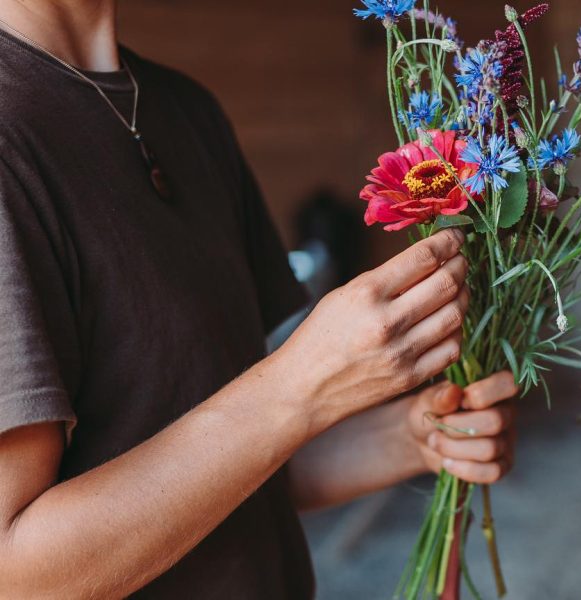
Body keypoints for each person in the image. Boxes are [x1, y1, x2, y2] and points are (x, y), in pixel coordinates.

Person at [0, 1, 517, 597]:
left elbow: (238, 464)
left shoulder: (186, 111)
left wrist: (408, 436)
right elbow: (19, 576)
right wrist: (299, 385)